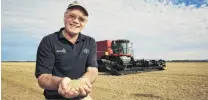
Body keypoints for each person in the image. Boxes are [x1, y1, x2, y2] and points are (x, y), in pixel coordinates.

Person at [35, 1, 98, 100]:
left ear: (85, 23)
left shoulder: (90, 42)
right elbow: (43, 78)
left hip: (81, 97)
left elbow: (93, 70)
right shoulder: (49, 41)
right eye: (72, 16)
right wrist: (61, 82)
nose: (76, 21)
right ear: (65, 16)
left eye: (81, 19)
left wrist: (83, 81)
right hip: (55, 97)